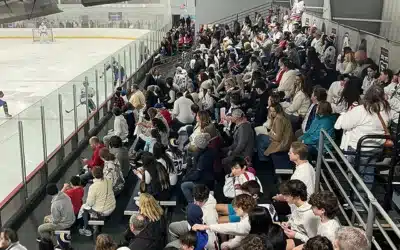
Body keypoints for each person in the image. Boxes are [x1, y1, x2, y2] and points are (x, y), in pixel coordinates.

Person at [334, 85, 390, 186]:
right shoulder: (385, 110)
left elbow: (344, 124)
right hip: (376, 147)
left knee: (356, 176)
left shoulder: (361, 110)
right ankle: (367, 198)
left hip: (359, 148)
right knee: (369, 173)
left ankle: (357, 199)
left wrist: (348, 113)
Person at [192, 194, 257, 249]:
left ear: (242, 207)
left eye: (236, 209)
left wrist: (207, 227)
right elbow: (241, 235)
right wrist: (229, 245)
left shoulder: (247, 222)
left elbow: (229, 227)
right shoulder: (246, 216)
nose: (234, 211)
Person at [168, 184, 218, 250]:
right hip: (192, 225)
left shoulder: (210, 215)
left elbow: (212, 239)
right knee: (172, 227)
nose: (196, 203)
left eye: (200, 201)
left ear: (206, 199)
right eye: (195, 199)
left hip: (199, 232)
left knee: (169, 246)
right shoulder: (204, 194)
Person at [279, 180, 320, 248]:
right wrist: (288, 224)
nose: (284, 197)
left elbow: (313, 241)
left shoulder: (309, 214)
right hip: (294, 237)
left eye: (287, 195)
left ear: (297, 196)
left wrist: (295, 235)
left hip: (303, 242)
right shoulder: (298, 207)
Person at [79, 166, 116, 237]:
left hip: (101, 211)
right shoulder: (109, 180)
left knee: (84, 207)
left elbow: (89, 203)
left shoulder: (93, 187)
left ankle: (87, 228)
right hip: (112, 206)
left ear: (93, 175)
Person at [181, 133, 215, 203]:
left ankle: (192, 205)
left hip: (203, 182)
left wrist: (186, 178)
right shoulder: (210, 151)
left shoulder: (203, 158)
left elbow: (197, 175)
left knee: (184, 185)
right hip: (209, 178)